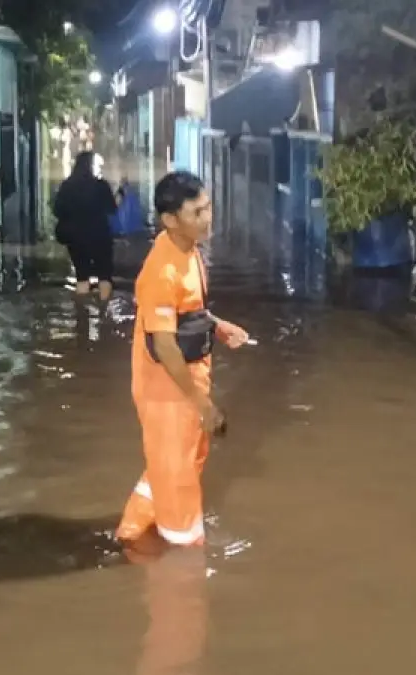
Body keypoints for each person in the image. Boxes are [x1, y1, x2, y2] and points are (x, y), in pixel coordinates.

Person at [116, 171, 249, 549]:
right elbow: (165, 346)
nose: (208, 219)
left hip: (187, 384)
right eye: (197, 213)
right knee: (178, 479)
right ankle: (181, 557)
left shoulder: (188, 250)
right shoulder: (162, 271)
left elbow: (188, 311)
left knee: (179, 462)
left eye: (208, 208)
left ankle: (130, 534)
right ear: (170, 220)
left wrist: (217, 326)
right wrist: (202, 405)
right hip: (167, 391)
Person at [53, 151, 118, 300]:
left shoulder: (67, 186)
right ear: (92, 166)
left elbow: (57, 211)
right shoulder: (101, 186)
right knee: (104, 275)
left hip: (76, 237)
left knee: (82, 276)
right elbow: (112, 209)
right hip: (100, 235)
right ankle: (104, 309)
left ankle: (81, 311)